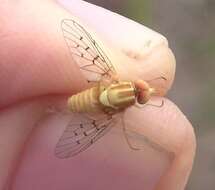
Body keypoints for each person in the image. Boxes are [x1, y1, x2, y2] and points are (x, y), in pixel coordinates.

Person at [0, 0, 196, 189]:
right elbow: (105, 128)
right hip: (91, 104)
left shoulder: (111, 76)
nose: (145, 89)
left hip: (92, 93)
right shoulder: (114, 114)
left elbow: (86, 50)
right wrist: (127, 138)